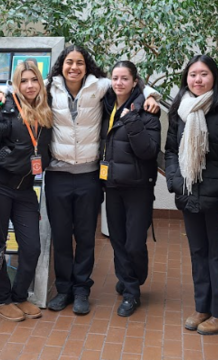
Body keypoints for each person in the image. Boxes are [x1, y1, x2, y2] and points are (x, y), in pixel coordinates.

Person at [0, 45, 161, 315]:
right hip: (57, 176)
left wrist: (151, 95)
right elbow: (21, 86)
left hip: (89, 176)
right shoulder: (49, 86)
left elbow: (128, 84)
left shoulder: (99, 86)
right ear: (62, 64)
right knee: (61, 236)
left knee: (85, 237)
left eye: (79, 62)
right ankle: (64, 289)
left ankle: (82, 290)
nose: (74, 67)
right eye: (70, 62)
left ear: (86, 65)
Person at [165, 55, 218, 334]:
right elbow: (171, 151)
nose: (198, 79)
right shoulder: (180, 109)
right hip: (189, 193)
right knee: (198, 253)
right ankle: (202, 307)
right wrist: (175, 181)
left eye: (204, 74)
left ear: (214, 77)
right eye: (193, 74)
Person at [0, 59, 52, 322]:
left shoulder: (45, 110)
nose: (29, 85)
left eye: (34, 80)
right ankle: (1, 299)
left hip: (25, 190)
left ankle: (19, 296)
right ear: (15, 85)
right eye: (24, 81)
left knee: (32, 248)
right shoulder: (3, 108)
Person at [98, 61, 161, 317]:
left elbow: (149, 151)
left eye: (125, 78)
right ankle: (131, 289)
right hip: (112, 185)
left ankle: (133, 278)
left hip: (138, 187)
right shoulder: (105, 105)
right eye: (115, 78)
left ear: (135, 81)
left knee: (134, 243)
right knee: (118, 240)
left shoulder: (148, 110)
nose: (119, 83)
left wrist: (132, 119)